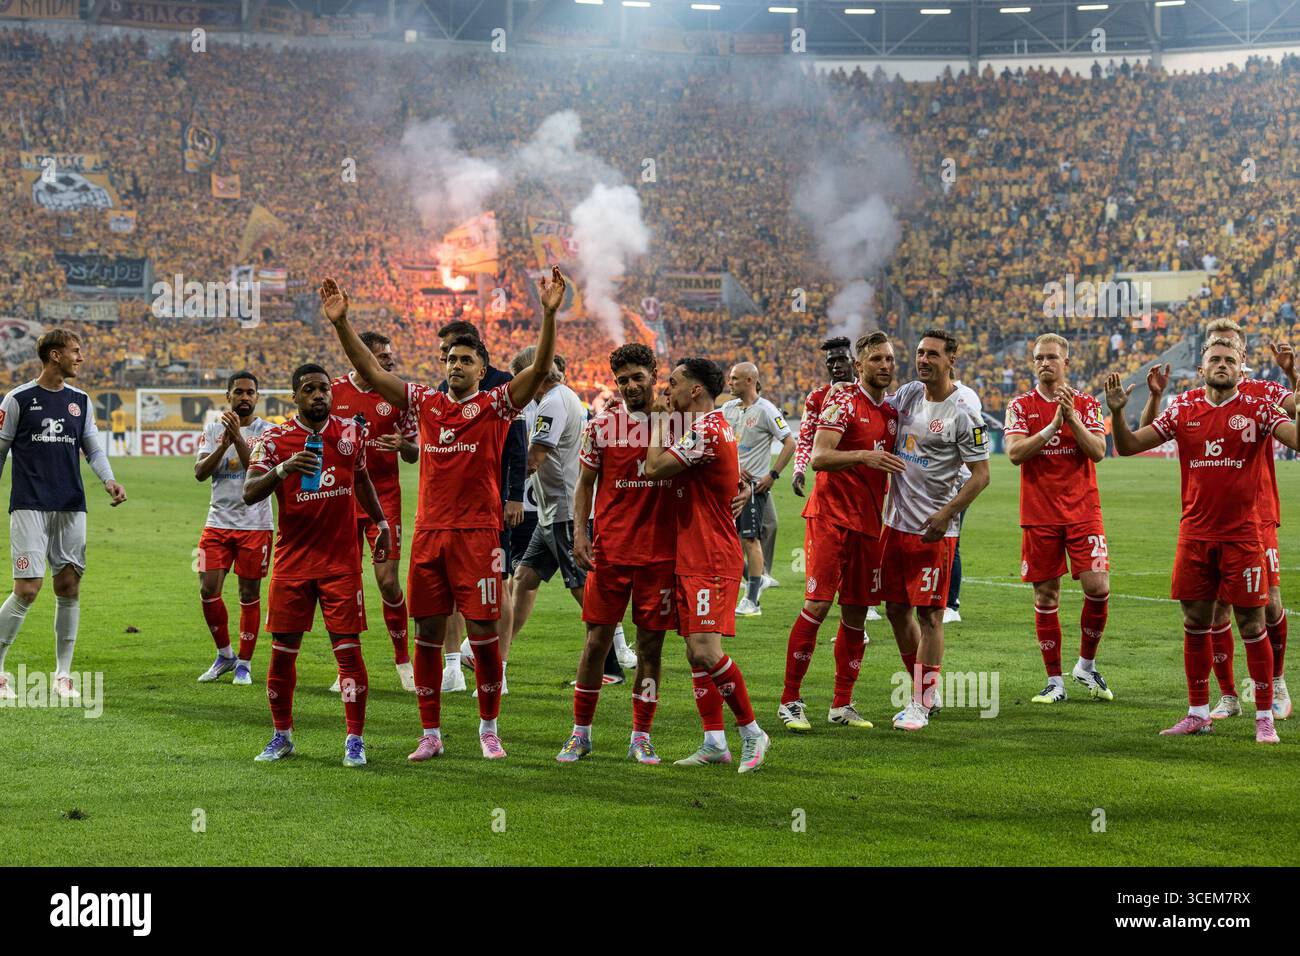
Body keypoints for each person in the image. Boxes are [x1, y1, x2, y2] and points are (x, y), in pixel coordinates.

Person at [322, 270, 562, 761]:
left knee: (483, 633)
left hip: (478, 536)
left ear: (481, 369)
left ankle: (488, 728)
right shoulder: (425, 402)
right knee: (428, 634)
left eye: (465, 359)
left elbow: (538, 371)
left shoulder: (497, 406)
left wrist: (550, 312)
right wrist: (342, 324)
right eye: (450, 358)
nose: (455, 365)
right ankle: (430, 733)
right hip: (431, 535)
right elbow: (371, 373)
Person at [1107, 336, 1299, 744]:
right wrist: (1119, 415)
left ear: (1241, 367)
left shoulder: (1259, 407)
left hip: (1245, 534)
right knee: (1196, 622)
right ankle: (1198, 712)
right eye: (1215, 359)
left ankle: (1264, 716)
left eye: (1230, 359)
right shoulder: (1183, 408)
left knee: (1251, 622)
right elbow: (1127, 446)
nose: (1223, 365)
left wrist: (1295, 379)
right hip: (1194, 534)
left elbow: (1296, 438)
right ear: (1201, 368)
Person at [243, 362, 391, 767]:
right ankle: (281, 735)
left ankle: (355, 739)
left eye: (324, 388)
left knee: (348, 652)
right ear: (295, 397)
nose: (319, 395)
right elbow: (249, 492)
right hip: (292, 563)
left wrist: (380, 523)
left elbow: (361, 479)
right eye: (309, 389)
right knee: (282, 653)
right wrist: (283, 469)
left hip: (341, 563)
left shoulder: (352, 433)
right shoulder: (273, 440)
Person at [643, 357, 770, 772]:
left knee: (705, 649)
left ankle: (752, 732)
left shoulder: (707, 430)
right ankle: (714, 741)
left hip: (711, 557)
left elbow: (654, 467)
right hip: (693, 555)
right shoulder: (708, 428)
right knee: (694, 654)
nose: (667, 390)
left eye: (674, 383)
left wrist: (659, 422)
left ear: (695, 390)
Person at [778, 330, 903, 733]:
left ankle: (842, 704)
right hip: (831, 518)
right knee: (817, 606)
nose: (885, 365)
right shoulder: (842, 400)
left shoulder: (892, 415)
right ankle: (790, 701)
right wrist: (865, 455)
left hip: (868, 523)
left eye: (889, 359)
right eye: (877, 359)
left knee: (856, 614)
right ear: (860, 364)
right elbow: (819, 457)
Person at [557, 343, 675, 764]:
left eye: (636, 377)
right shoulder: (602, 425)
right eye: (622, 379)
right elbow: (584, 483)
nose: (629, 386)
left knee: (650, 647)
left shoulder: (675, 424)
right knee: (595, 643)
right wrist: (580, 533)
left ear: (653, 374)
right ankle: (580, 733)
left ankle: (640, 735)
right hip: (610, 551)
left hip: (660, 556)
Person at [0, 329, 127, 702]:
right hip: (29, 504)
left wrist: (109, 480)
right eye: (75, 351)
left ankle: (63, 676)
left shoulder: (80, 401)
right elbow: (1, 450)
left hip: (71, 504)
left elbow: (92, 448)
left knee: (68, 586)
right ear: (55, 356)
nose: (81, 357)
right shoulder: (18, 398)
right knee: (26, 589)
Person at [883, 330, 991, 732]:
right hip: (895, 524)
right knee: (895, 610)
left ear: (951, 361)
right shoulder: (909, 394)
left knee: (930, 616)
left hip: (933, 529)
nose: (923, 359)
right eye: (919, 352)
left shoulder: (964, 412)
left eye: (933, 354)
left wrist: (947, 515)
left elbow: (981, 476)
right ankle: (925, 687)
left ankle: (921, 701)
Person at [1004, 335, 1113, 704]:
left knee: (1098, 588)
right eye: (1039, 358)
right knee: (1046, 594)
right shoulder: (1020, 405)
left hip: (1084, 511)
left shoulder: (1086, 403)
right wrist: (1052, 427)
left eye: (1052, 357)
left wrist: (1072, 420)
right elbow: (1015, 453)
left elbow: (1098, 451)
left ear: (1067, 360)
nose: (1044, 363)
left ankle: (1085, 664)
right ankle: (1055, 681)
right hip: (1040, 514)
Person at [432, 320, 527, 695]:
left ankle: (498, 668)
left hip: (492, 506)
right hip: (449, 512)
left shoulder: (503, 384)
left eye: (451, 352)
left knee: (499, 586)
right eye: (445, 356)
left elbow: (517, 444)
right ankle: (452, 666)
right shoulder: (445, 389)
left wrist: (514, 495)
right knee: (451, 591)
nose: (446, 360)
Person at [329, 331, 420, 693]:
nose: (389, 361)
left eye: (389, 356)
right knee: (345, 585)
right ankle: (347, 666)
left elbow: (414, 452)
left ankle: (403, 660)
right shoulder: (332, 392)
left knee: (386, 581)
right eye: (382, 356)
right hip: (342, 500)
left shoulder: (396, 395)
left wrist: (404, 446)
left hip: (384, 501)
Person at [194, 371, 273, 687]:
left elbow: (258, 469)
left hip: (256, 525)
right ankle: (225, 654)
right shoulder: (213, 429)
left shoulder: (267, 431)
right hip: (216, 524)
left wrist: (237, 438)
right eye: (238, 392)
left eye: (250, 392)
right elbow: (200, 473)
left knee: (248, 594)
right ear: (228, 395)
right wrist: (222, 443)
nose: (244, 397)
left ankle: (244, 663)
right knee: (207, 590)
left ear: (257, 396)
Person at [721, 362, 794, 617]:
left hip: (753, 487)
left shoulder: (766, 410)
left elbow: (789, 442)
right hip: (727, 485)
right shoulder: (727, 409)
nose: (729, 383)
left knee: (750, 540)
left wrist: (772, 475)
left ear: (750, 380)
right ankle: (758, 577)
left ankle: (752, 602)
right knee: (726, 542)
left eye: (734, 379)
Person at [791, 337, 855, 499]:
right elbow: (805, 439)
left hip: (864, 484)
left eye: (842, 359)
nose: (836, 365)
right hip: (829, 486)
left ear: (853, 362)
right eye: (831, 361)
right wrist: (799, 470)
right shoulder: (817, 397)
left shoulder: (867, 394)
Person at [943, 372, 983, 624]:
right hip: (937, 481)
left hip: (960, 481)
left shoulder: (964, 397)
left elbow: (978, 432)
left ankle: (951, 604)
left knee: (951, 542)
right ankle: (935, 598)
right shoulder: (930, 396)